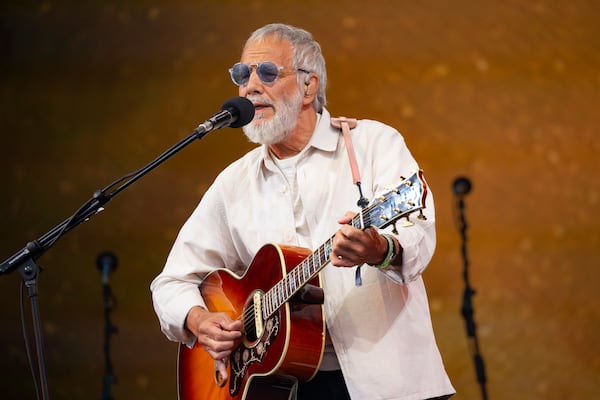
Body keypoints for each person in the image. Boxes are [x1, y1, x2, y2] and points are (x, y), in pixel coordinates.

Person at [151, 23, 455, 400]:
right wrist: (199, 321)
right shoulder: (234, 183)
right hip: (284, 386)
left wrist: (381, 249)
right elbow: (170, 283)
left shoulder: (373, 144)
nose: (249, 87)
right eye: (242, 75)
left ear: (309, 86)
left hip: (389, 382)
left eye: (266, 73)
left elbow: (418, 233)